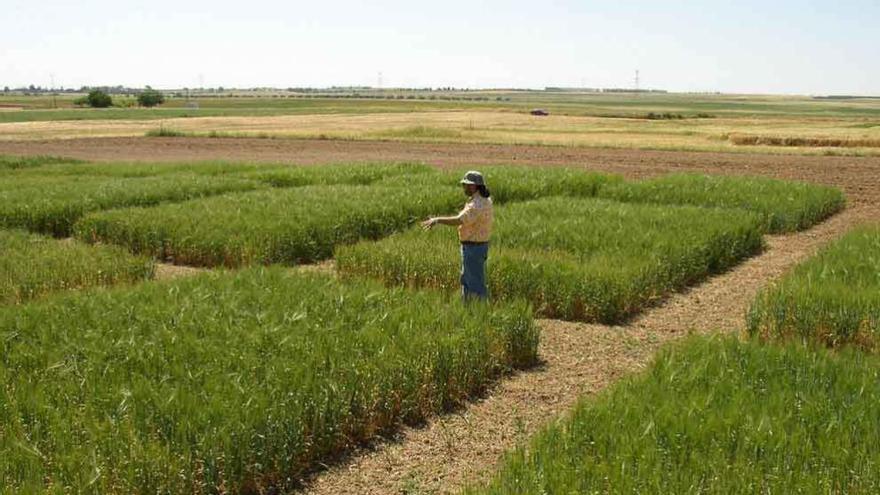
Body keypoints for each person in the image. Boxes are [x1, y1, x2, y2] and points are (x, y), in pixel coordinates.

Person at [421, 171, 493, 301]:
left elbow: (459, 220)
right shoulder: (484, 200)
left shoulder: (476, 205)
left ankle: (479, 313)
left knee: (474, 284)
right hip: (475, 247)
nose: (464, 188)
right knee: (468, 280)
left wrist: (437, 220)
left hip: (473, 249)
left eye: (465, 185)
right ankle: (470, 311)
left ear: (473, 186)